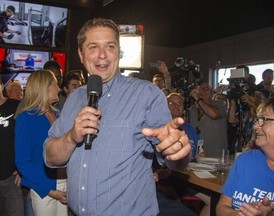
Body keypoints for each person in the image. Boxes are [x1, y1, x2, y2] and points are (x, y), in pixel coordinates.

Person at [43, 18, 191, 216]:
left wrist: (178, 152)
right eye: (93, 47)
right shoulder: (74, 98)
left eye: (110, 46)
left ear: (118, 52)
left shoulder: (146, 94)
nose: (102, 55)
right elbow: (50, 158)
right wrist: (71, 137)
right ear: (81, 54)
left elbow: (173, 158)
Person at [216, 96, 274, 216]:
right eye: (257, 120)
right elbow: (221, 209)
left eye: (264, 120)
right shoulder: (246, 161)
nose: (255, 126)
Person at [15, 70, 68, 216]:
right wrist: (49, 191)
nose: (59, 88)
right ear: (45, 87)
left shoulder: (58, 114)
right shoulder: (26, 118)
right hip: (44, 187)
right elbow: (22, 161)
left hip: (64, 182)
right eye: (55, 84)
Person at [0, 75, 24, 216]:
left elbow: (27, 138)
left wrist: (22, 169)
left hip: (11, 179)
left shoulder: (15, 106)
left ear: (1, 85)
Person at [190, 81, 228, 157]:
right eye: (201, 89)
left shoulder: (219, 104)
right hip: (199, 154)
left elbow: (214, 114)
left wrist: (198, 99)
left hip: (216, 154)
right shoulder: (193, 109)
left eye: (206, 89)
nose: (202, 91)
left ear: (212, 93)